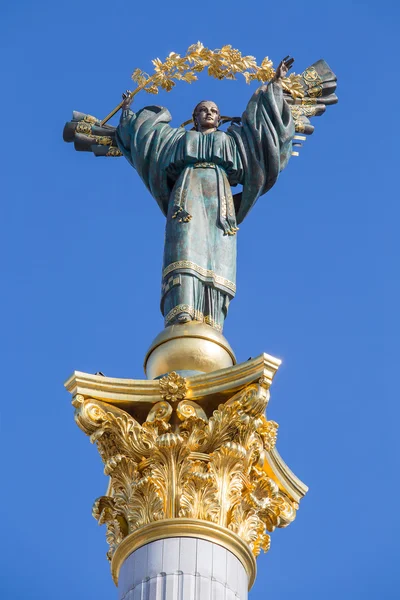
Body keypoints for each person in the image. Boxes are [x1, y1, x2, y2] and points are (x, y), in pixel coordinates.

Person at [115, 58, 295, 332]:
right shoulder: (176, 139)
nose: (209, 113)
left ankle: (213, 318)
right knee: (185, 247)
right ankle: (182, 310)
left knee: (217, 254)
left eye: (214, 110)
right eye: (203, 110)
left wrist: (275, 85)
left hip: (220, 203)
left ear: (220, 118)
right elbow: (145, 140)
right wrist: (127, 114)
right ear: (195, 117)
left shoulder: (233, 141)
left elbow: (262, 132)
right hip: (186, 196)